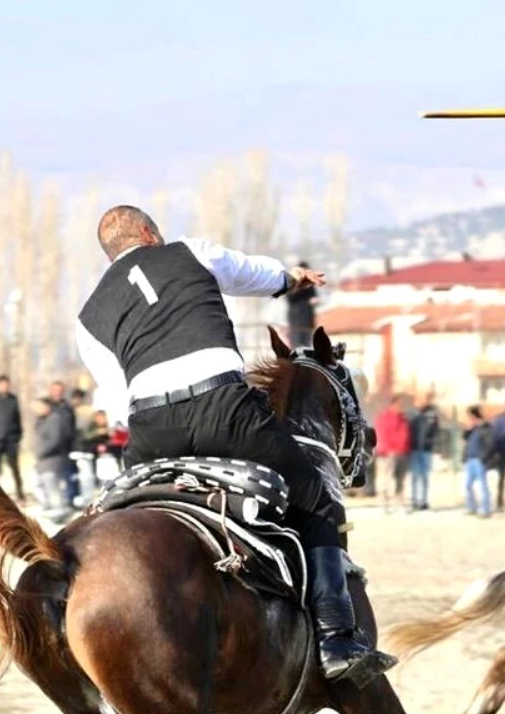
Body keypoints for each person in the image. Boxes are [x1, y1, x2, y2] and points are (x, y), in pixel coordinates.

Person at [74, 204, 388, 683]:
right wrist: (290, 278)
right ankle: (336, 637)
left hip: (151, 431)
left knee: (115, 517)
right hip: (225, 410)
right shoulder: (190, 253)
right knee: (316, 497)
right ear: (148, 232)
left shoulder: (87, 318)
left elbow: (116, 399)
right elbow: (247, 272)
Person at [33, 398, 74, 517]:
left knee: (52, 485)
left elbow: (55, 440)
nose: (36, 410)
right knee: (40, 484)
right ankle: (49, 507)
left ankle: (59, 510)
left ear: (46, 406)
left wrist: (42, 452)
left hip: (52, 458)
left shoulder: (55, 419)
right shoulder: (41, 420)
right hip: (42, 460)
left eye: (38, 407)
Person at [373, 393, 411, 512]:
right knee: (386, 479)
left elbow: (406, 435)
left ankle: (399, 501)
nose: (402, 407)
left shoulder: (403, 418)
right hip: (388, 453)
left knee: (400, 479)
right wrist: (388, 449)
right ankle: (384, 502)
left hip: (402, 453)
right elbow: (382, 435)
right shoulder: (385, 418)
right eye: (400, 404)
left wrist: (406, 449)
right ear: (393, 404)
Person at [408, 393, 441, 511]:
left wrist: (432, 443)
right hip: (414, 449)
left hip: (426, 450)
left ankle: (423, 500)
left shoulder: (432, 415)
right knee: (415, 476)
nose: (421, 403)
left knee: (424, 476)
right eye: (419, 400)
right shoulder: (412, 415)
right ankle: (414, 500)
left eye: (423, 400)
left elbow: (436, 431)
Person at [462, 405, 493, 517]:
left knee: (482, 485)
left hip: (479, 460)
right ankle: (471, 506)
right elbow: (465, 438)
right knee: (467, 485)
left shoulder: (486, 427)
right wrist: (467, 430)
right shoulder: (472, 429)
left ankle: (485, 508)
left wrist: (483, 457)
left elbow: (490, 444)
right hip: (470, 459)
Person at [285, 260, 320, 348]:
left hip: (305, 316)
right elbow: (290, 297)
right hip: (298, 315)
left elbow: (314, 296)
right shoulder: (294, 282)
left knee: (305, 341)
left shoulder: (308, 283)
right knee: (298, 341)